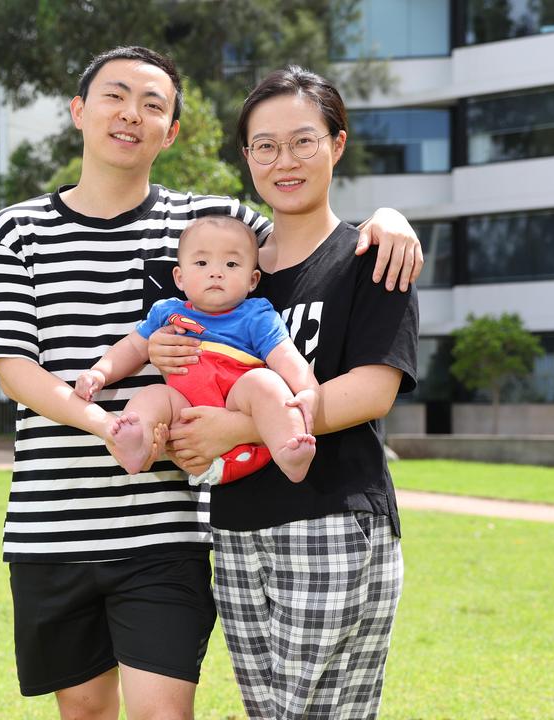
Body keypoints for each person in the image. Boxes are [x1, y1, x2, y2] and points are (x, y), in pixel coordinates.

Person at [0, 46, 422, 720]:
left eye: (154, 105)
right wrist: (106, 422)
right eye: (115, 97)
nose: (132, 115)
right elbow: (14, 369)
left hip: (168, 526)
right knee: (84, 710)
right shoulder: (19, 229)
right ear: (79, 111)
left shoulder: (206, 224)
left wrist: (388, 219)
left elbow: (311, 233)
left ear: (172, 130)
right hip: (51, 522)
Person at [150, 66, 419, 719]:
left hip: (332, 517)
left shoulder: (371, 256)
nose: (284, 160)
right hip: (238, 526)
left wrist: (238, 429)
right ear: (246, 157)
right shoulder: (227, 270)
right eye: (264, 145)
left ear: (337, 144)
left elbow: (372, 390)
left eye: (303, 141)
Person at [73, 215, 318, 482]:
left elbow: (286, 357)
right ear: (179, 277)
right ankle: (138, 446)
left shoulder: (256, 315)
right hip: (186, 425)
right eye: (201, 263)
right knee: (154, 396)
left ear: (252, 280)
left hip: (240, 420)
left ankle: (290, 450)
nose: (216, 272)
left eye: (232, 264)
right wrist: (99, 374)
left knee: (264, 381)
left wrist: (308, 391)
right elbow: (132, 347)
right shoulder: (168, 313)